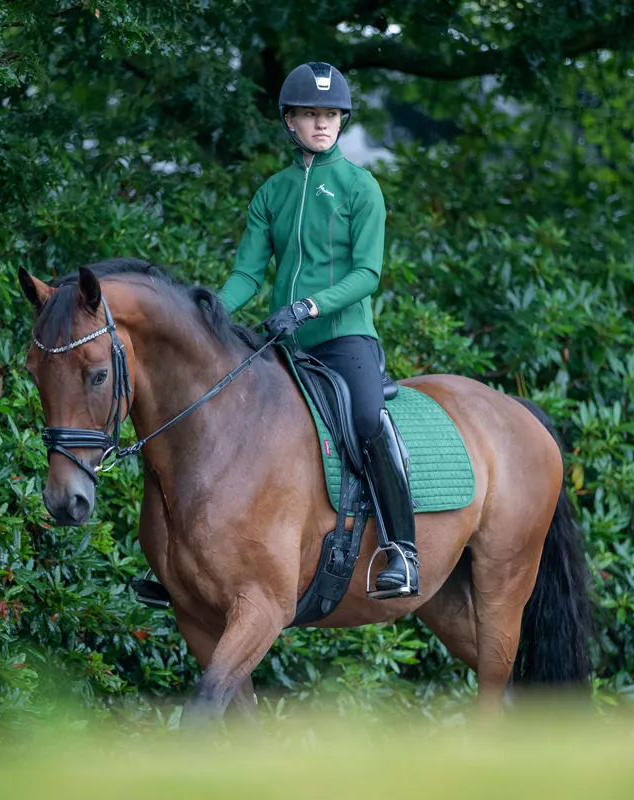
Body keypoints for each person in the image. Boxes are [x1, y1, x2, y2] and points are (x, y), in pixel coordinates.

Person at [218, 62, 419, 597]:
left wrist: (307, 306)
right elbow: (246, 274)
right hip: (284, 344)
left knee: (367, 419)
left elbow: (367, 275)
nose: (322, 123)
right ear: (290, 121)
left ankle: (403, 550)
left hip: (343, 338)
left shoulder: (360, 187)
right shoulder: (272, 193)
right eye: (311, 114)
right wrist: (208, 312)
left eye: (330, 114)